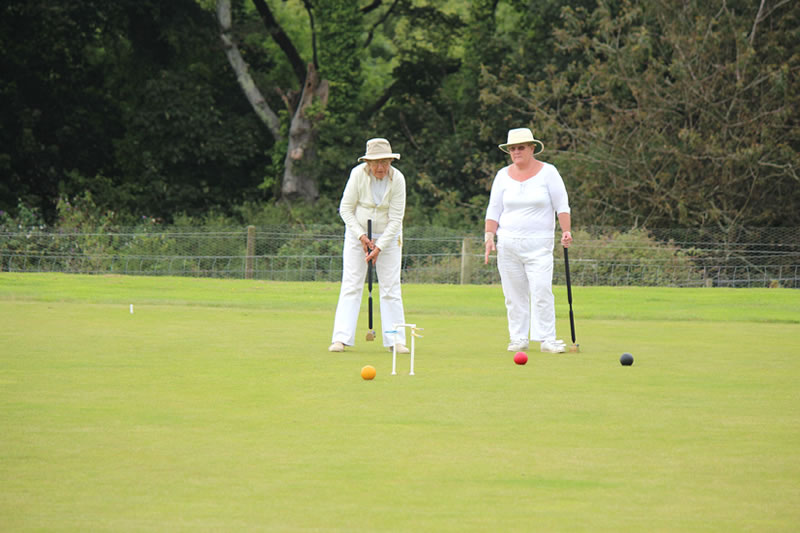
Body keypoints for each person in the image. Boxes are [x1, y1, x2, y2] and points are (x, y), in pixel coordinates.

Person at [483, 127, 573, 353]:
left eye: (521, 147)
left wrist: (566, 230)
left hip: (539, 245)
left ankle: (547, 339)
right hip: (508, 244)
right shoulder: (502, 175)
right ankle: (518, 337)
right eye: (512, 148)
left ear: (532, 148)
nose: (516, 151)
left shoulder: (549, 173)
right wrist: (489, 236)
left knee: (542, 290)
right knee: (513, 294)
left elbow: (561, 205)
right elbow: (494, 209)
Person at [329, 138, 409, 354]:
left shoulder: (398, 179)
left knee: (391, 287)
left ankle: (396, 340)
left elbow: (396, 219)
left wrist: (379, 246)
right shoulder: (357, 175)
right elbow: (345, 209)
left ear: (391, 161)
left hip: (389, 238)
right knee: (352, 284)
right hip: (358, 234)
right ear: (368, 163)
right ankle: (341, 338)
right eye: (376, 163)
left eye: (385, 162)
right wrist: (362, 237)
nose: (380, 167)